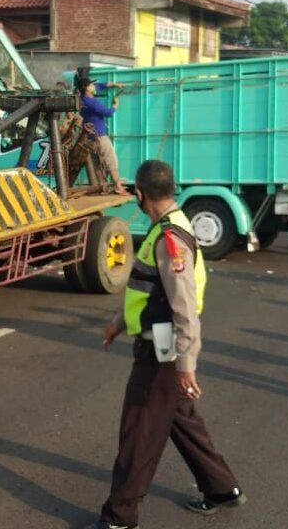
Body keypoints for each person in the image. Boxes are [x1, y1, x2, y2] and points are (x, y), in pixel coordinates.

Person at [89, 160, 244, 529]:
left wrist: (185, 362)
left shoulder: (169, 239)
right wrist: (116, 324)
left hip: (162, 348)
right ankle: (222, 489)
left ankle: (120, 518)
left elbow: (184, 306)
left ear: (140, 194)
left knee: (139, 432)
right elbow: (147, 291)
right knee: (179, 418)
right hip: (160, 340)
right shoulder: (170, 227)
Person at [77, 77, 129, 196]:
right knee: (111, 161)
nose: (94, 87)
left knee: (97, 163)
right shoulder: (92, 103)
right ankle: (118, 187)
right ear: (87, 88)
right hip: (100, 136)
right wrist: (115, 105)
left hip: (89, 137)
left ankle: (103, 187)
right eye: (92, 85)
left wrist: (115, 84)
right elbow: (108, 113)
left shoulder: (82, 99)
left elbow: (100, 86)